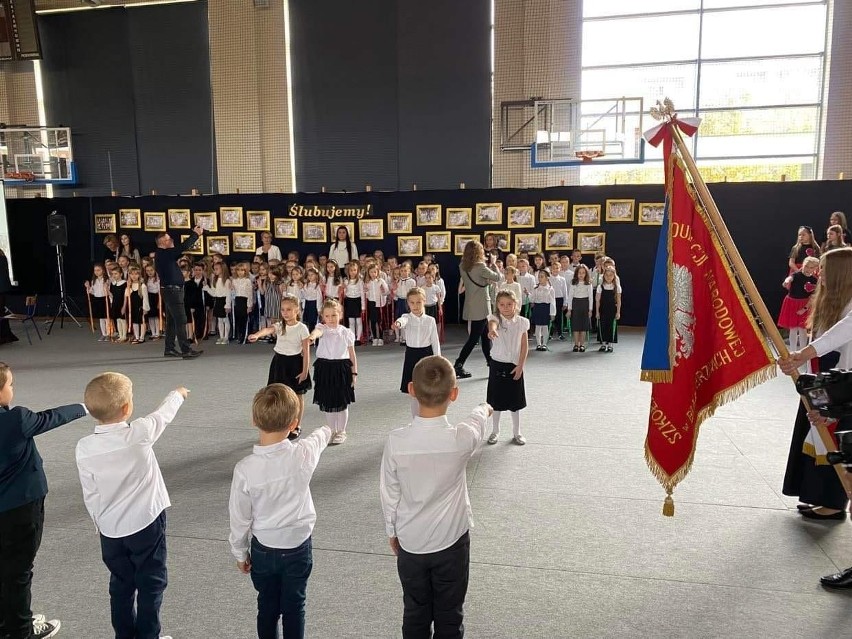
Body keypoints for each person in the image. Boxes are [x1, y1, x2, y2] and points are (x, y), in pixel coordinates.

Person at [380, 355, 491, 639]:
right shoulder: (460, 439)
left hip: (411, 543)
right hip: (452, 543)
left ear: (411, 390)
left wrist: (392, 531)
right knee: (450, 614)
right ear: (454, 394)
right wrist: (484, 408)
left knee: (415, 612)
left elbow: (389, 492)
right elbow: (476, 424)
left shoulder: (396, 441)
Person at [76, 373, 188, 639]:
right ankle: (149, 635)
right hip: (146, 524)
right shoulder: (139, 432)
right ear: (126, 408)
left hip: (110, 530)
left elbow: (90, 492)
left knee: (120, 585)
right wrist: (178, 393)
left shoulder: (84, 447)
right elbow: (163, 415)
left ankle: (124, 635)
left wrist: (99, 524)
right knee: (151, 584)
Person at [229, 384, 331, 639]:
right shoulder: (303, 453)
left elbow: (240, 518)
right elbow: (320, 437)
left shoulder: (245, 469)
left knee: (267, 606)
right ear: (294, 423)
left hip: (264, 548)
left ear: (254, 420)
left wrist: (240, 552)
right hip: (298, 547)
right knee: (295, 606)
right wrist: (327, 429)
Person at [779, 248, 852, 588]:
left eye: (823, 270)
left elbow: (837, 340)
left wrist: (800, 357)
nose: (817, 274)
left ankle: (834, 501)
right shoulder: (834, 304)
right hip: (835, 389)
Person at [0, 363, 87, 639]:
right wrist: (84, 407)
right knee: (18, 571)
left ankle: (10, 620)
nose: (13, 389)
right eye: (10, 384)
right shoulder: (16, 420)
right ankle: (19, 630)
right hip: (21, 508)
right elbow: (50, 418)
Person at [249, 295, 312, 433]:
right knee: (276, 394)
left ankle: (296, 425)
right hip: (279, 363)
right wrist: (257, 335)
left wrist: (305, 371)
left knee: (297, 396)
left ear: (297, 310)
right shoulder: (279, 325)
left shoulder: (302, 328)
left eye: (289, 309)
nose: (285, 313)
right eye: (283, 310)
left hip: (295, 363)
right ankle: (278, 423)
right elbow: (267, 330)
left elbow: (306, 352)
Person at [306, 300, 357, 445]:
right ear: (323, 317)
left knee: (342, 403)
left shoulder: (346, 332)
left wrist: (354, 373)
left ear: (340, 315)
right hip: (325, 368)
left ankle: (341, 431)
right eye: (327, 316)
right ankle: (331, 430)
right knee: (328, 402)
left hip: (341, 368)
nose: (331, 319)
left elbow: (352, 355)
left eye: (334, 315)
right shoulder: (322, 328)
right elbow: (317, 332)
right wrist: (312, 337)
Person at [486, 290, 529, 445]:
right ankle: (495, 431)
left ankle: (517, 432)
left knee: (515, 402)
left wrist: (520, 366)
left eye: (509, 304)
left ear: (515, 304)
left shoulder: (522, 322)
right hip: (497, 363)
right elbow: (493, 324)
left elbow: (524, 346)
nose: (506, 307)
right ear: (497, 305)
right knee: (495, 401)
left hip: (514, 365)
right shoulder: (495, 318)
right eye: (502, 304)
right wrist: (492, 330)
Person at [454, 241, 501, 378]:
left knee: (485, 337)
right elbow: (498, 277)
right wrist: (493, 263)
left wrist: (485, 282)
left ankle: (491, 363)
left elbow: (475, 282)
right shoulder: (480, 266)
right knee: (474, 338)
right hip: (481, 306)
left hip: (470, 304)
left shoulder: (462, 266)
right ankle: (459, 364)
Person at [154, 229, 203, 359]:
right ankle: (186, 350)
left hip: (171, 290)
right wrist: (196, 234)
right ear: (164, 242)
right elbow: (184, 246)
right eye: (170, 239)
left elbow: (180, 249)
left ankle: (169, 349)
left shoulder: (164, 254)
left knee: (171, 321)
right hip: (172, 291)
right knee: (181, 320)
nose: (172, 241)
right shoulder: (164, 253)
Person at [395, 288, 441, 417]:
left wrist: (438, 359)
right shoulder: (407, 317)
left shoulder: (430, 320)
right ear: (408, 304)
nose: (415, 306)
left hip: (427, 355)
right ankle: (415, 419)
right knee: (414, 392)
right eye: (412, 303)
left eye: (418, 302)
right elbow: (402, 321)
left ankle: (429, 416)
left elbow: (435, 341)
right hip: (412, 356)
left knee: (428, 389)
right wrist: (398, 323)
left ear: (424, 301)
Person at [778, 256, 818, 353]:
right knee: (793, 328)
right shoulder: (796, 275)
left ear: (815, 268)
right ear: (803, 265)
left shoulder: (814, 280)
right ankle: (792, 351)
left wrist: (804, 308)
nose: (808, 269)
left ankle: (802, 351)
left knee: (802, 329)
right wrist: (786, 281)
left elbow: (813, 297)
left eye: (811, 267)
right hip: (792, 303)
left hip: (805, 303)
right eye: (807, 266)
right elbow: (790, 278)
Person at [528, 269, 556, 352]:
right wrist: (528, 294)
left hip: (545, 308)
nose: (540, 278)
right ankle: (538, 343)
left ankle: (544, 344)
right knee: (538, 326)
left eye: (542, 277)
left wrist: (552, 313)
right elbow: (532, 299)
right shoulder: (535, 288)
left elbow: (552, 302)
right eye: (539, 277)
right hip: (538, 308)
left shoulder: (550, 289)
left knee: (544, 327)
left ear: (547, 278)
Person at [595, 266, 622, 353]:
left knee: (611, 326)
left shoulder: (616, 287)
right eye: (607, 275)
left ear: (614, 276)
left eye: (611, 275)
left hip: (612, 310)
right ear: (604, 276)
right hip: (603, 309)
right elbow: (597, 300)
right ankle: (603, 344)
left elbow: (618, 300)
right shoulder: (600, 287)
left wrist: (618, 312)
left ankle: (610, 344)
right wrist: (597, 312)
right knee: (603, 326)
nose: (609, 277)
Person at [204, 262, 232, 345]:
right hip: (218, 301)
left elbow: (228, 294)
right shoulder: (215, 280)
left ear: (222, 269)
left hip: (224, 301)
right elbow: (214, 293)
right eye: (214, 269)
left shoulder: (227, 281)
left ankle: (226, 337)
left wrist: (227, 305)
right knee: (219, 320)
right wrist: (206, 287)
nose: (215, 271)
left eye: (217, 269)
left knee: (225, 319)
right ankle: (221, 336)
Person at [568, 264, 593, 352]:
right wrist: (569, 309)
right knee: (576, 326)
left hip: (585, 304)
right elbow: (570, 296)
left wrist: (590, 309)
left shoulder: (588, 283)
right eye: (579, 273)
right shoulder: (573, 283)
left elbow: (590, 297)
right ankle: (576, 344)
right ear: (576, 274)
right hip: (576, 304)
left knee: (583, 326)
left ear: (586, 274)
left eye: (583, 273)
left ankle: (582, 344)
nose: (581, 275)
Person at [124, 266, 150, 345]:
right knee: (135, 322)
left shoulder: (142, 286)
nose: (134, 276)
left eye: (136, 274)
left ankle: (142, 337)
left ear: (139, 275)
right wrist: (128, 286)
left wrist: (145, 308)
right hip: (133, 307)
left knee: (142, 322)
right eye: (132, 274)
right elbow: (127, 295)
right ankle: (137, 336)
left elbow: (145, 298)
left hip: (140, 307)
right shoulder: (130, 286)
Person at [365, 263, 389, 345]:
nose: (373, 274)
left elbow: (386, 291)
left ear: (378, 272)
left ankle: (381, 338)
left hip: (380, 303)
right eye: (371, 272)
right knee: (373, 321)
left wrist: (383, 291)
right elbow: (367, 294)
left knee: (380, 321)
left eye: (375, 272)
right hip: (371, 303)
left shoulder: (381, 281)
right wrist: (366, 291)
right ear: (368, 273)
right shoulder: (367, 282)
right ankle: (375, 337)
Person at [85, 263, 110, 342]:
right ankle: (103, 333)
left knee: (107, 318)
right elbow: (92, 292)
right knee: (101, 318)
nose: (96, 272)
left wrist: (107, 288)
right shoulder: (93, 281)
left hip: (105, 299)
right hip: (97, 299)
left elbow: (109, 290)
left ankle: (109, 333)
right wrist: (88, 287)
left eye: (98, 270)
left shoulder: (107, 279)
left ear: (103, 270)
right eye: (95, 270)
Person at [343, 262, 365, 344]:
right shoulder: (346, 281)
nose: (353, 272)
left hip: (357, 301)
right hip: (349, 301)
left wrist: (363, 307)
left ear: (357, 271)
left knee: (358, 321)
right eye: (351, 270)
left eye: (355, 270)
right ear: (348, 271)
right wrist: (344, 289)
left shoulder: (360, 281)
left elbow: (362, 294)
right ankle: (352, 337)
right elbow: (345, 294)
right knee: (351, 321)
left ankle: (358, 338)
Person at [394, 263, 417, 346]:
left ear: (409, 271)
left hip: (408, 301)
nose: (403, 273)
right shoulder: (398, 281)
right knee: (401, 318)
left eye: (405, 271)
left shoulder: (412, 281)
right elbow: (396, 292)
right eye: (402, 271)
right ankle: (403, 338)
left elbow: (413, 292)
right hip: (400, 301)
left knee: (408, 319)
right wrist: (394, 291)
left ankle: (408, 338)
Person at [231, 263, 254, 344]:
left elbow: (250, 294)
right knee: (239, 320)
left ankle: (245, 336)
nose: (240, 272)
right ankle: (239, 335)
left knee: (245, 320)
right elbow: (233, 293)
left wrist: (249, 306)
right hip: (237, 301)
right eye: (238, 270)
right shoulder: (234, 281)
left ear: (245, 271)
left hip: (245, 301)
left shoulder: (247, 281)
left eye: (242, 270)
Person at [0, 249, 17, 344]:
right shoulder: (3, 256)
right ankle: (5, 335)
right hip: (3, 290)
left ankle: (3, 337)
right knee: (2, 313)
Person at [549, 262, 569, 341]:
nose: (555, 270)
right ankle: (549, 334)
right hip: (551, 299)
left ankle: (560, 333)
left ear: (560, 269)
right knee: (551, 317)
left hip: (559, 299)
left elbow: (565, 291)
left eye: (557, 268)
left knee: (559, 318)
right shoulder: (548, 279)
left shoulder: (562, 279)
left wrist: (565, 302)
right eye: (553, 268)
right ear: (551, 269)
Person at [108, 266, 128, 343]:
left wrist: (124, 306)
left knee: (123, 320)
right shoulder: (113, 284)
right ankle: (120, 335)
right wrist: (107, 290)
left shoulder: (124, 283)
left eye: (116, 274)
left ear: (121, 274)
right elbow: (112, 296)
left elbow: (125, 296)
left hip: (122, 304)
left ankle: (124, 336)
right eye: (113, 274)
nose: (114, 275)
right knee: (118, 320)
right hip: (115, 304)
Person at [301, 267, 323, 333]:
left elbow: (319, 298)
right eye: (308, 275)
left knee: (313, 322)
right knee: (307, 322)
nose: (310, 277)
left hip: (314, 305)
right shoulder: (306, 285)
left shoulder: (317, 286)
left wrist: (319, 309)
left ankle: (313, 338)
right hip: (307, 304)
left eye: (312, 275)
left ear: (316, 275)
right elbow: (304, 296)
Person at [144, 264, 162, 340]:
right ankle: (153, 332)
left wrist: (159, 302)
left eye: (151, 270)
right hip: (149, 298)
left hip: (156, 297)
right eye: (147, 271)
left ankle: (157, 333)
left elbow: (160, 291)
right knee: (150, 316)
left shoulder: (158, 280)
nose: (149, 272)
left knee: (156, 316)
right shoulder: (146, 280)